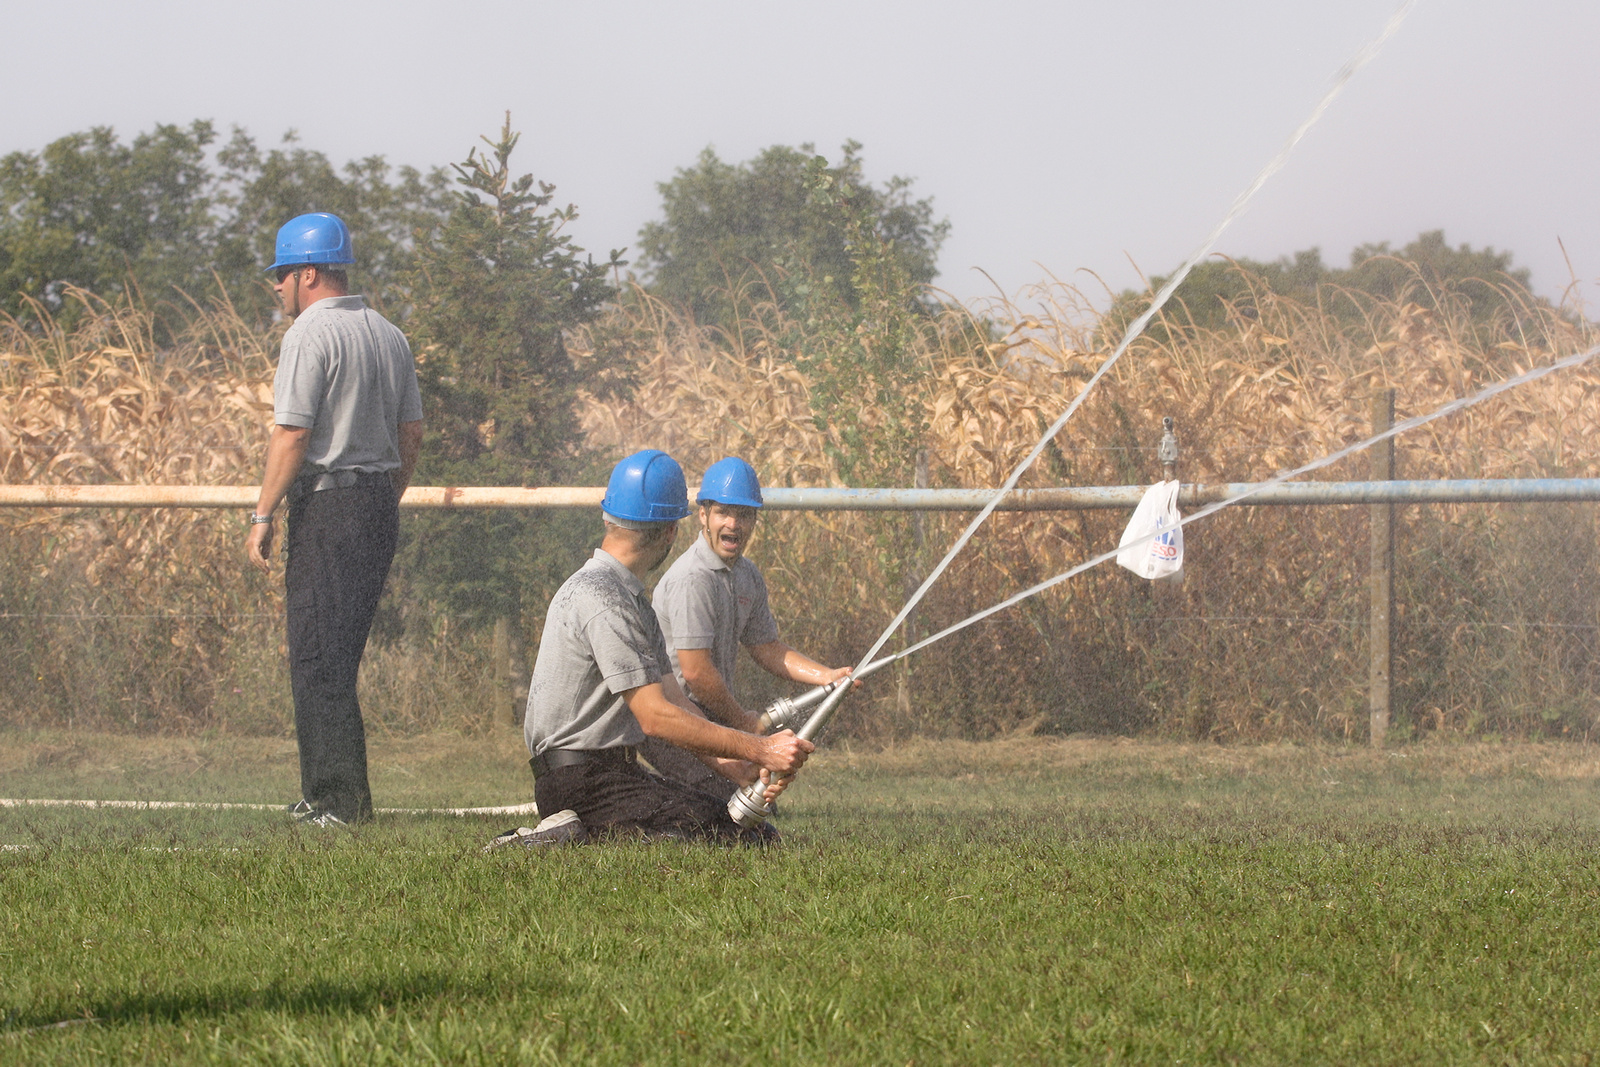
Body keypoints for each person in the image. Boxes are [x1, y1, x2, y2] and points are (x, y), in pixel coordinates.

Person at [513, 449, 812, 846]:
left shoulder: (629, 599)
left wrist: (734, 766)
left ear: (608, 517)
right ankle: (556, 838)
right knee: (726, 840)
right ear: (671, 531)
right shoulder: (604, 598)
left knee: (747, 832)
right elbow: (655, 718)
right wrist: (761, 748)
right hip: (581, 783)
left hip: (611, 774)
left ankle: (577, 835)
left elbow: (675, 700)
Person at [245, 212, 423, 827]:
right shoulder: (389, 334)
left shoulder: (308, 336)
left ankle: (339, 804)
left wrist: (262, 513)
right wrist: (384, 494)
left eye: (283, 274)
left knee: (317, 656)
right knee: (336, 656)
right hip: (376, 504)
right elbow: (412, 433)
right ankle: (330, 792)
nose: (277, 287)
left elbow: (292, 434)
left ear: (310, 272)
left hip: (329, 504)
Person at [644, 456, 853, 799]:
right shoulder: (692, 579)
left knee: (750, 803)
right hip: (672, 715)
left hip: (710, 714)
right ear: (703, 515)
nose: (734, 523)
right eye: (724, 512)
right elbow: (695, 673)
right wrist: (742, 721)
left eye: (744, 514)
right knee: (722, 804)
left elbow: (766, 647)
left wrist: (827, 676)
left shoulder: (747, 576)